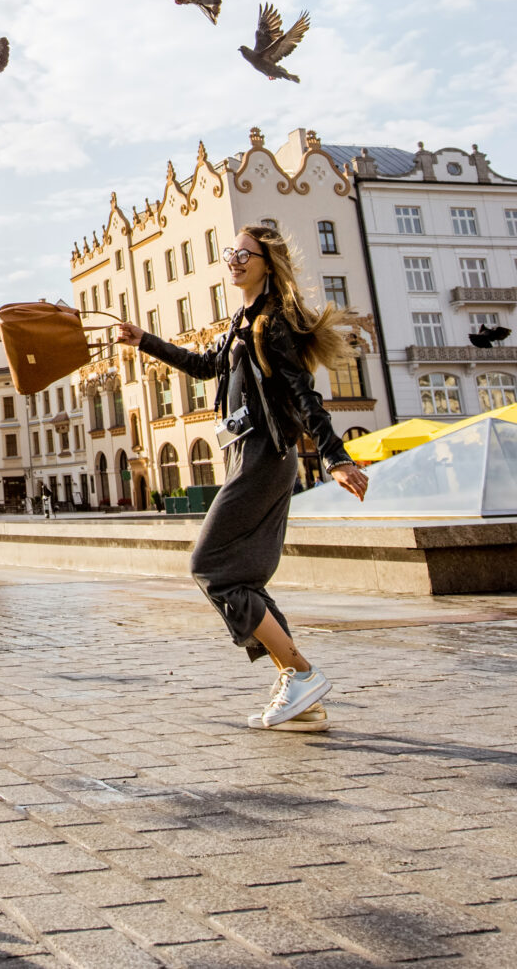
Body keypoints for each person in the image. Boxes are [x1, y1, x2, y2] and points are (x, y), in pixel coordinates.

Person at [116, 222, 369, 730]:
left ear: (265, 263)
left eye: (243, 255)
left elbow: (304, 395)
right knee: (242, 577)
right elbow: (206, 366)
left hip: (263, 454)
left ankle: (300, 672)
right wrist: (146, 341)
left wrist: (336, 456)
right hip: (246, 453)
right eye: (230, 253)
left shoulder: (273, 323)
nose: (232, 260)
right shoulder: (243, 319)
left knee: (210, 566)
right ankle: (303, 697)